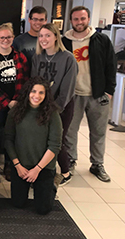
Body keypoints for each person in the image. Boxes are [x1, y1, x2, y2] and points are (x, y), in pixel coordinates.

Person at [62, 6, 117, 182]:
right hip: (73, 95)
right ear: (71, 20)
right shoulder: (64, 41)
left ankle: (97, 163)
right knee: (70, 131)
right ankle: (70, 160)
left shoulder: (101, 40)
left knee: (98, 131)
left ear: (88, 19)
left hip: (97, 94)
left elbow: (111, 66)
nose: (79, 22)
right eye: (76, 19)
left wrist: (109, 91)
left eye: (83, 19)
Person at [5, 76, 62, 215]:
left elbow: (54, 146)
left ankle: (52, 185)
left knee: (43, 209)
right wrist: (17, 165)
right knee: (18, 203)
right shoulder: (16, 111)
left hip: (43, 167)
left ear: (46, 95)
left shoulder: (53, 114)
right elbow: (8, 139)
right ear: (27, 92)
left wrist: (37, 169)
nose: (36, 96)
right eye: (33, 91)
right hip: (21, 166)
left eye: (41, 92)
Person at [31, 23, 78, 186]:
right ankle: (44, 170)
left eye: (47, 35)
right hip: (41, 105)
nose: (43, 39)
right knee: (42, 138)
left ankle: (65, 172)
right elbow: (34, 83)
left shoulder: (68, 58)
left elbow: (67, 90)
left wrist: (54, 110)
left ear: (56, 37)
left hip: (61, 107)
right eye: (41, 36)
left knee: (57, 140)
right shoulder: (37, 57)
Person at [0, 22, 29, 183]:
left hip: (16, 104)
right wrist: (6, 102)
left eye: (8, 37)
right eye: (2, 37)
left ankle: (10, 165)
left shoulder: (20, 57)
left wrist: (16, 101)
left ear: (13, 37)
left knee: (13, 135)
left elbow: (24, 81)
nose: (5, 40)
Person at [13, 6, 48, 72]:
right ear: (29, 20)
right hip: (25, 80)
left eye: (41, 20)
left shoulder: (50, 41)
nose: (38, 22)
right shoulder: (18, 41)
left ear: (45, 21)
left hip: (45, 80)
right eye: (35, 19)